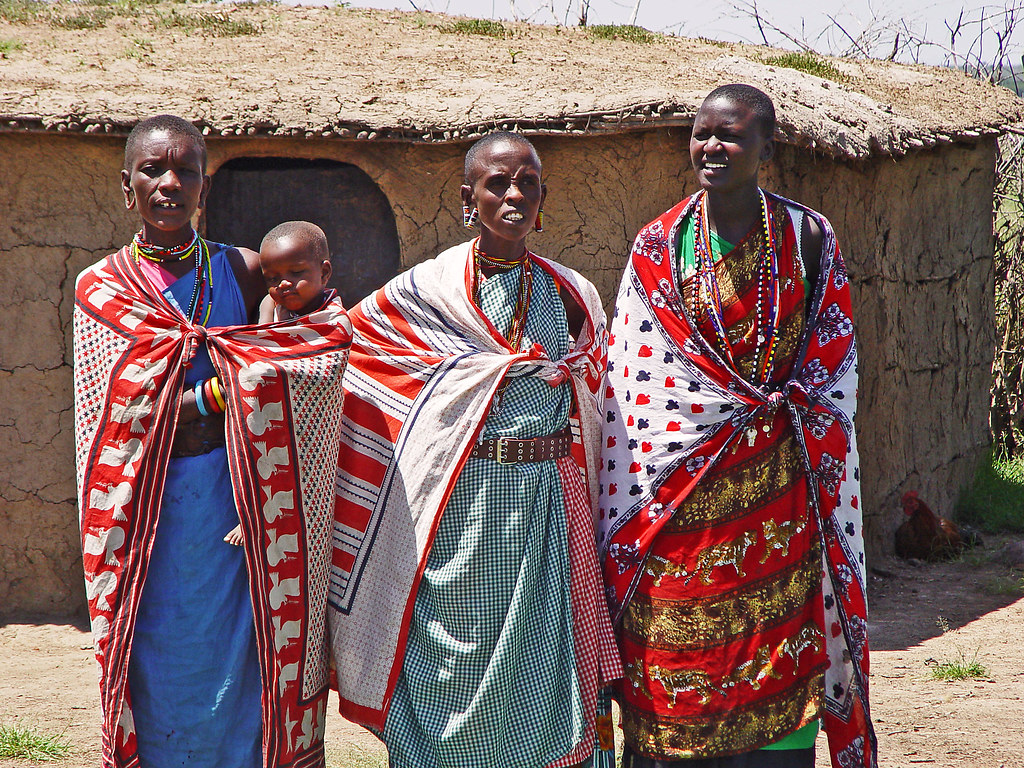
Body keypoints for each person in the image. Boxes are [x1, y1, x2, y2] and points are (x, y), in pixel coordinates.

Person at [598, 85, 877, 768]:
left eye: (729, 135)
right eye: (701, 135)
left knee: (778, 643)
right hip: (675, 494)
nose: (711, 148)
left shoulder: (808, 236)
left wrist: (785, 408)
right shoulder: (660, 244)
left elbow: (834, 356)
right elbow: (633, 374)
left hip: (783, 486)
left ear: (766, 149)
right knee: (670, 648)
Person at [326, 132, 622, 768]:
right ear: (469, 198)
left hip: (548, 513)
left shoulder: (573, 295)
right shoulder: (425, 293)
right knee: (443, 672)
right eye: (497, 184)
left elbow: (596, 391)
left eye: (528, 184)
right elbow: (355, 358)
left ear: (543, 198)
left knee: (548, 677)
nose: (513, 195)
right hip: (463, 511)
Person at [74, 114, 351, 768]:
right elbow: (112, 418)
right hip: (146, 516)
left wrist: (256, 380)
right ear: (125, 186)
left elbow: (317, 343)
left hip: (238, 508)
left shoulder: (245, 270)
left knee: (247, 656)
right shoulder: (101, 290)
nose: (170, 183)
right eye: (152, 170)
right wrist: (219, 392)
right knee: (156, 653)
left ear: (204, 186)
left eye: (187, 171)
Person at [224, 219, 335, 546]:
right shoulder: (270, 307)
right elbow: (258, 354)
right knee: (252, 439)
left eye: (297, 273)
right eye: (273, 278)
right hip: (272, 415)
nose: (284, 284)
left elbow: (327, 367)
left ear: (324, 273)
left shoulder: (333, 320)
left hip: (314, 424)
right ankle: (252, 513)